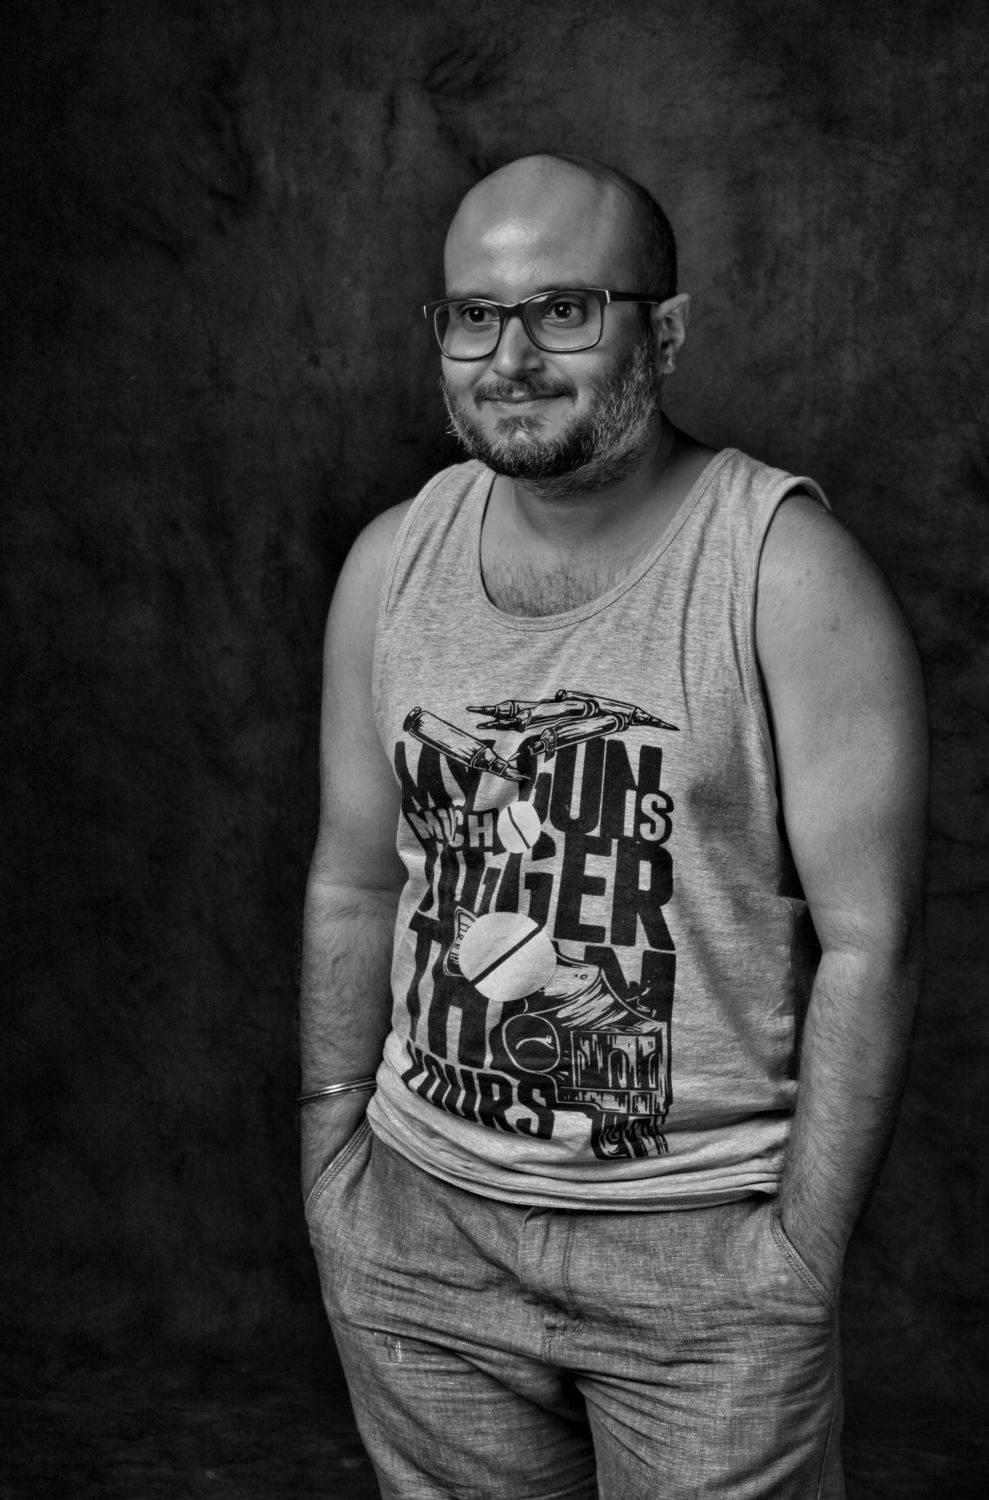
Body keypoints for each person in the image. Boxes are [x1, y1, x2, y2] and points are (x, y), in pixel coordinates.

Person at [299, 153, 927, 1499]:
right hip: (418, 1236)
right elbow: (354, 882)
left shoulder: (782, 569)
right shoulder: (391, 563)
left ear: (667, 331)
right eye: (475, 316)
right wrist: (333, 1151)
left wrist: (796, 1257)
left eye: (565, 309)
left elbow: (873, 944)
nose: (512, 357)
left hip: (699, 1258)